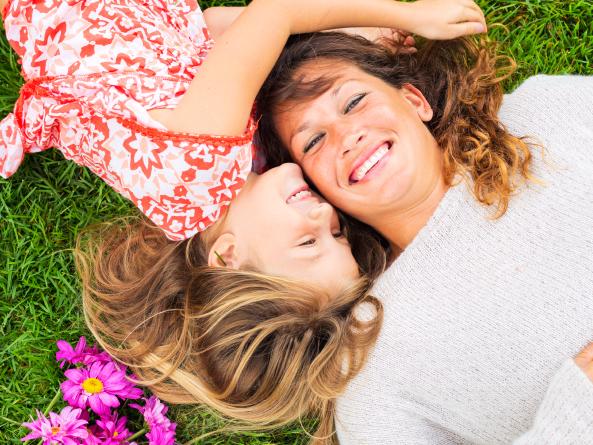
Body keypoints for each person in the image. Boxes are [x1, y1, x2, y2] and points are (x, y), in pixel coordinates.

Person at [0, 0, 488, 441]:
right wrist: (356, 34)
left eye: (307, 241)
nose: (322, 211)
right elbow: (209, 31)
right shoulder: (212, 194)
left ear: (228, 256)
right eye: (336, 233)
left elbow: (273, 12)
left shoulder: (199, 164)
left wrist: (403, 15)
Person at [255, 31, 593, 443]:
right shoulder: (370, 363)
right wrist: (578, 406)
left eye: (355, 102)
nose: (347, 137)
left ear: (415, 101)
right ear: (315, 189)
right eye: (314, 141)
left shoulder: (548, 111)